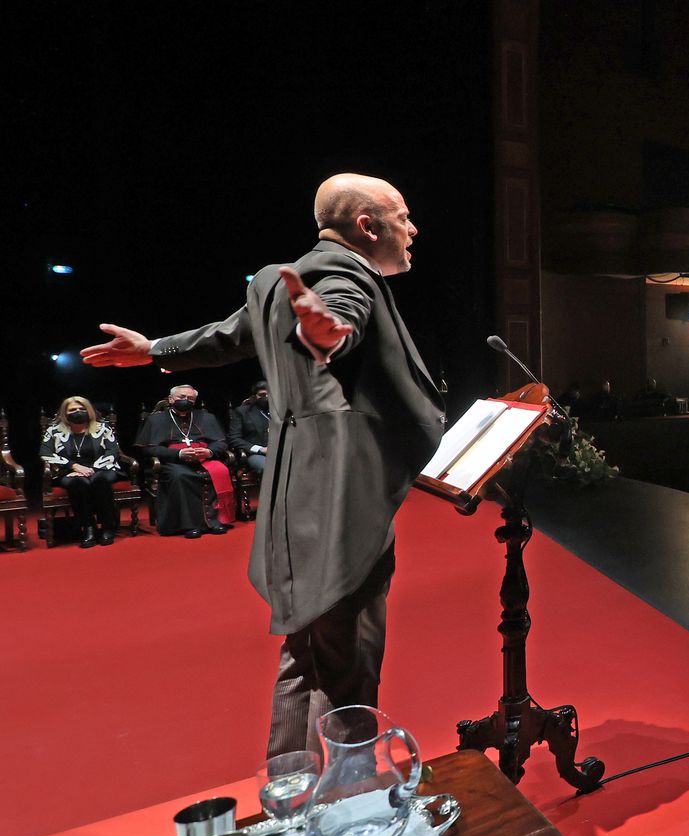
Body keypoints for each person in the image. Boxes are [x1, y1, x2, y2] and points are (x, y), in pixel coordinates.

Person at [82, 173, 446, 757]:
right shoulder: (346, 274)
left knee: (307, 644)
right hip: (338, 493)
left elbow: (225, 337)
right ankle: (350, 800)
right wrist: (330, 334)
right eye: (403, 216)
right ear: (367, 226)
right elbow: (337, 319)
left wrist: (154, 349)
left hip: (294, 485)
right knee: (348, 645)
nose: (414, 229)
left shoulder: (276, 286)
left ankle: (291, 788)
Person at [135, 384, 233, 537]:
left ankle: (215, 521)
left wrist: (209, 451)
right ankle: (189, 525)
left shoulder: (207, 417)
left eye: (190, 398)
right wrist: (178, 453)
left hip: (204, 460)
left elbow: (221, 442)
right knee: (181, 476)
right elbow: (148, 449)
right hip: (173, 462)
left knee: (221, 470)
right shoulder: (155, 420)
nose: (186, 400)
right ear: (170, 399)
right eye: (182, 397)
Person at [39, 396, 125, 547]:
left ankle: (106, 527)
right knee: (79, 483)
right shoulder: (54, 431)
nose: (78, 412)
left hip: (102, 468)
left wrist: (92, 469)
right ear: (65, 413)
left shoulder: (103, 428)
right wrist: (74, 466)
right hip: (68, 471)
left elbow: (113, 451)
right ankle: (88, 527)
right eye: (73, 410)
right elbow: (45, 453)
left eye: (81, 409)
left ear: (89, 410)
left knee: (100, 480)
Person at [229, 380, 273, 476]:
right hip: (257, 454)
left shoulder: (281, 411)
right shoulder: (242, 412)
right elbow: (234, 438)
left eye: (269, 394)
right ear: (254, 397)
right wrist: (260, 449)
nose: (266, 397)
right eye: (262, 395)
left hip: (282, 451)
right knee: (269, 468)